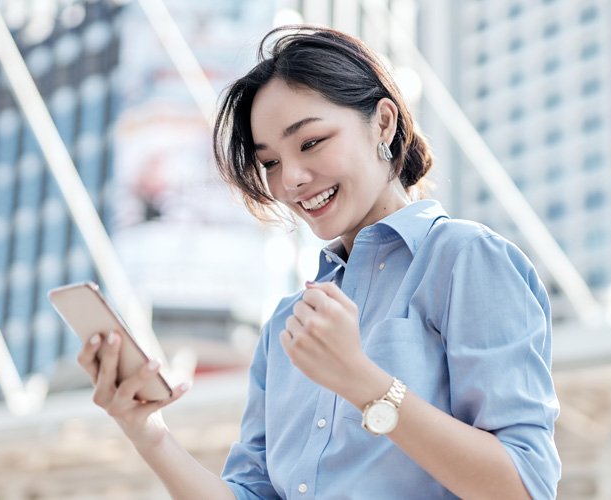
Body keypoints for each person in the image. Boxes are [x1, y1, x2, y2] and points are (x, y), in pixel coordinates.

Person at [77, 26, 561, 499]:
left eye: (310, 142)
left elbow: (523, 486)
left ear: (384, 123)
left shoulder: (464, 261)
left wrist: (362, 381)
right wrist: (147, 430)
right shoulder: (288, 326)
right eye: (269, 163)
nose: (291, 180)